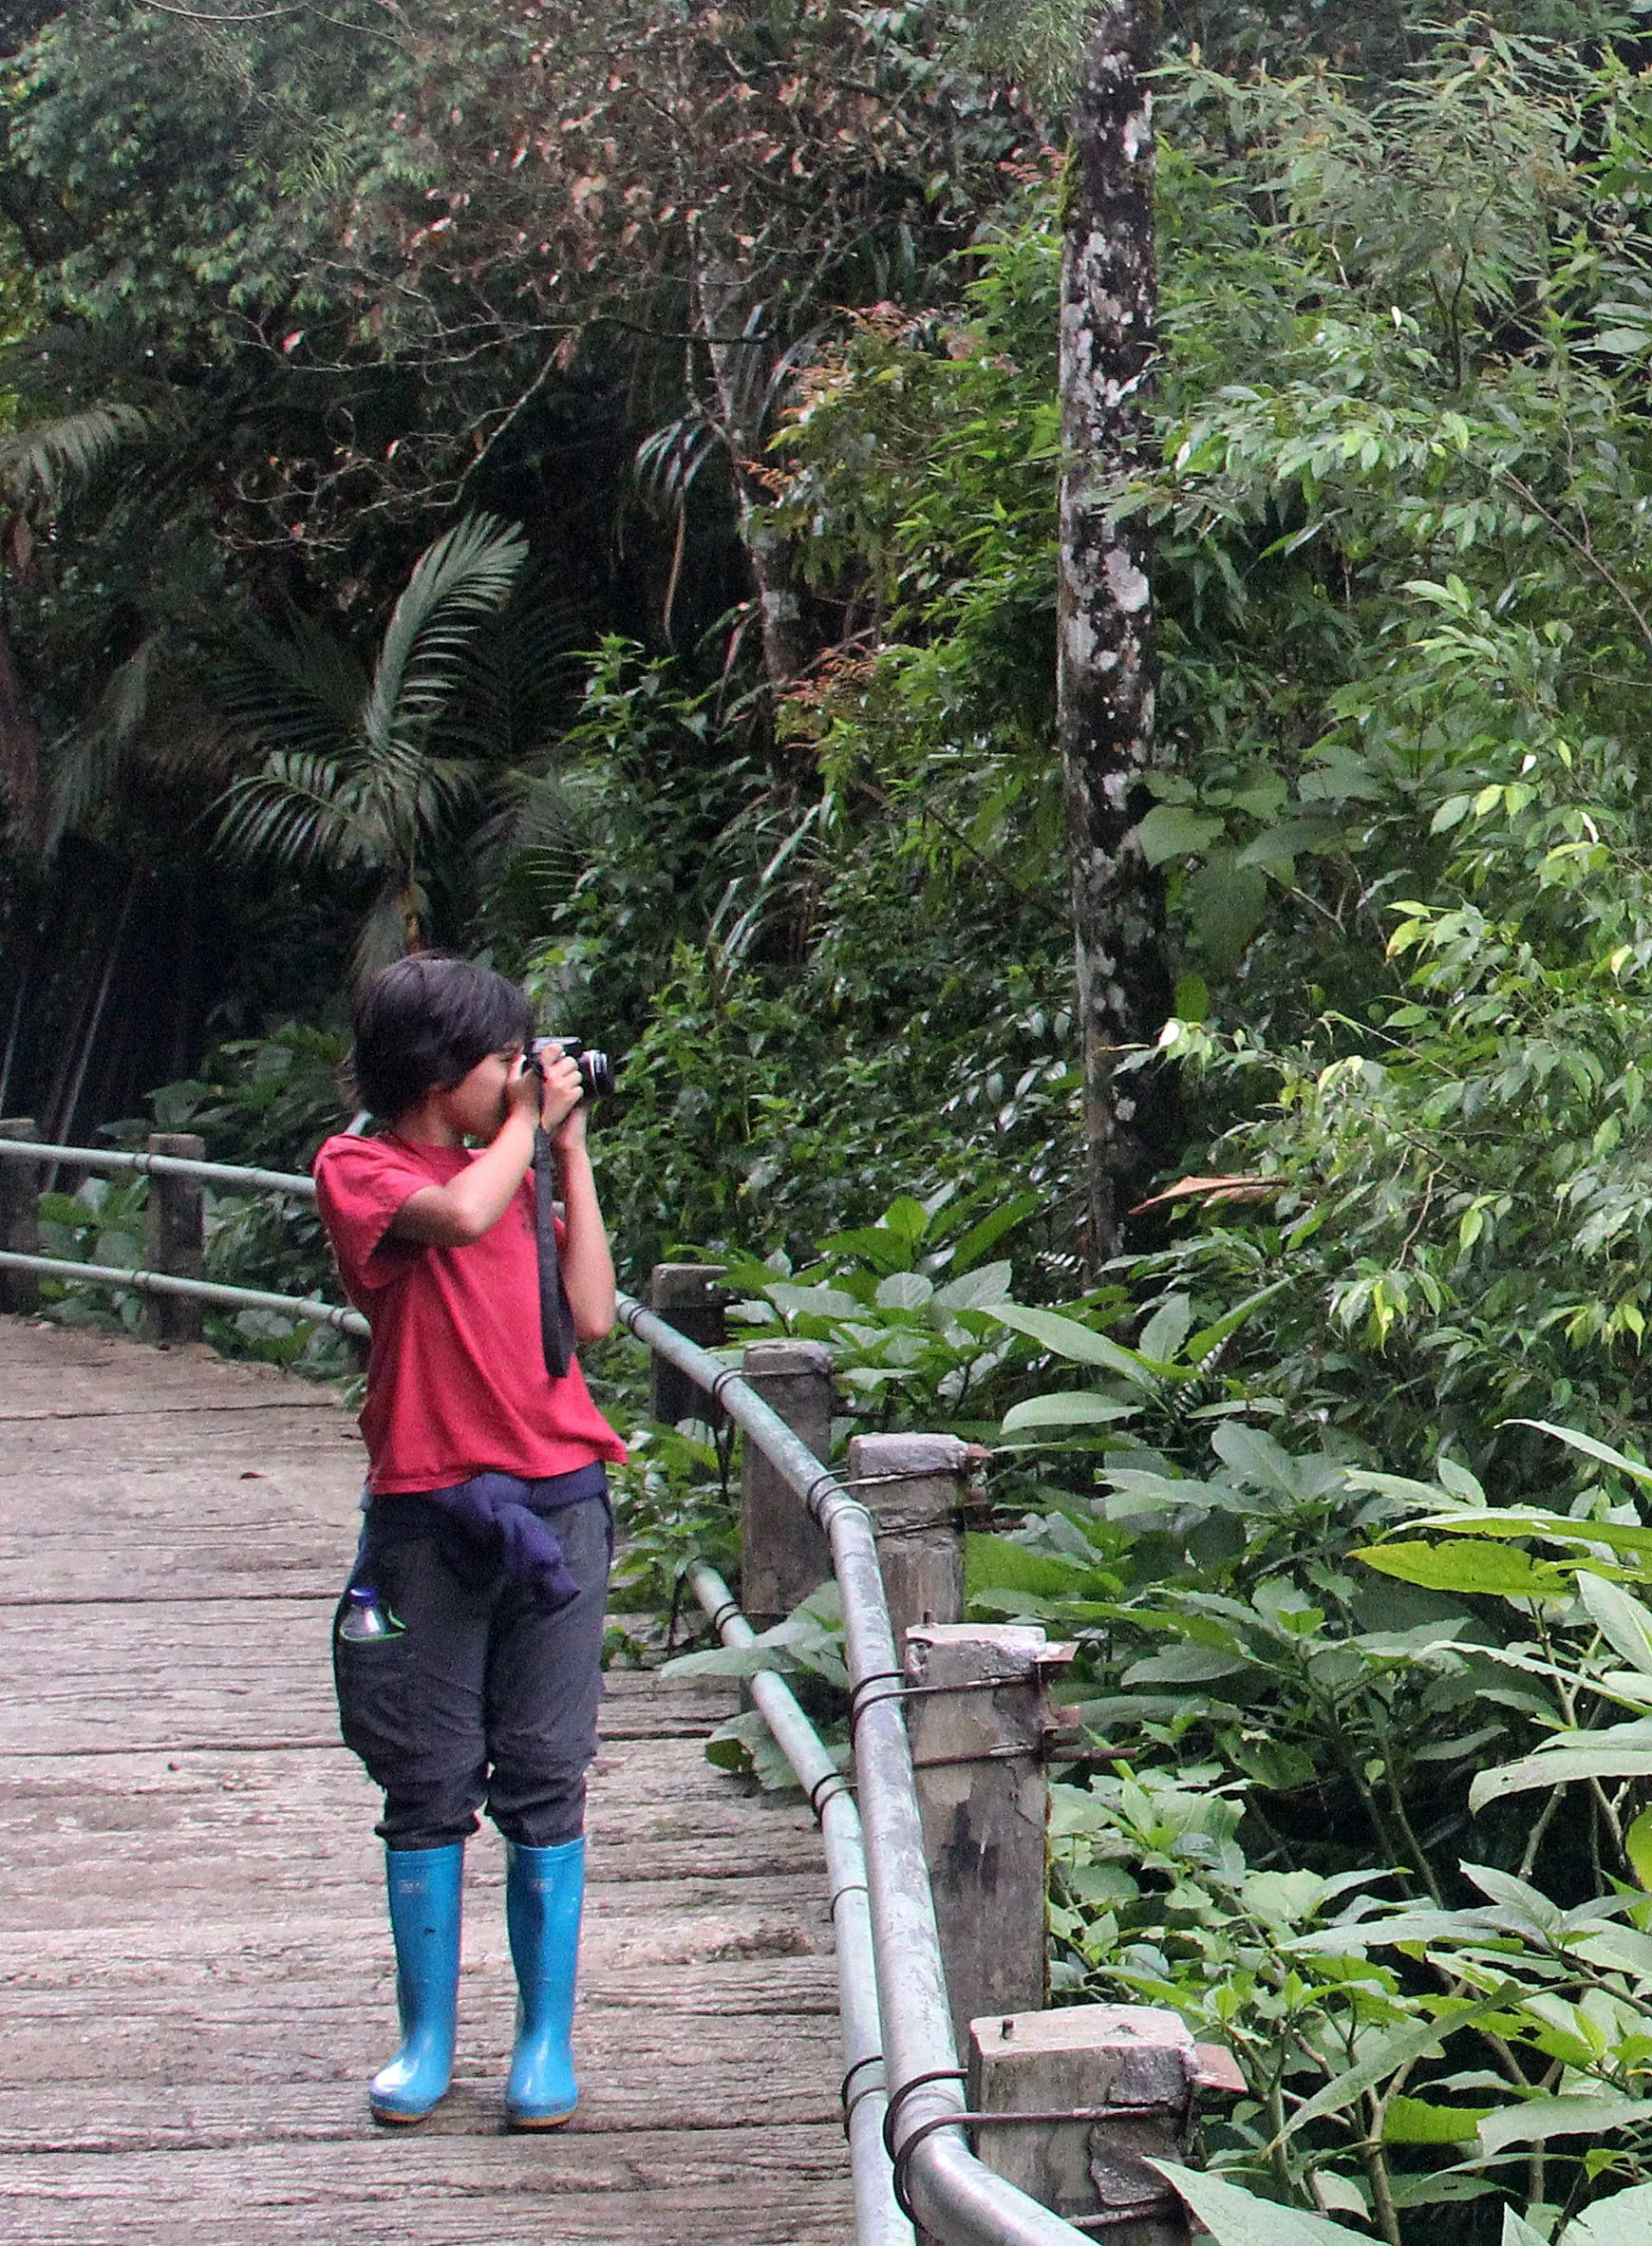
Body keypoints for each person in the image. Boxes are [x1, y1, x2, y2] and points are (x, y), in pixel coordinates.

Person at [311, 952, 626, 2130]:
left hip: (557, 1499)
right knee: (427, 1773)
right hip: (427, 1514)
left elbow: (591, 1313)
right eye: (504, 1058)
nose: (519, 1075)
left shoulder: (519, 1172)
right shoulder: (363, 1168)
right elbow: (456, 1215)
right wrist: (528, 1131)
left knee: (547, 1771)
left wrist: (571, 1150)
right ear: (442, 1071)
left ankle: (543, 2043)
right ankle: (426, 2038)